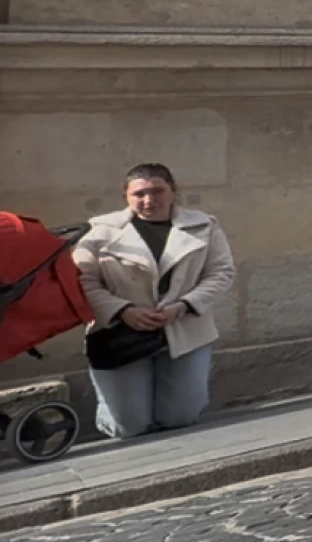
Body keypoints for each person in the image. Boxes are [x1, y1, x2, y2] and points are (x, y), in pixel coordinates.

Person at [72, 164, 236, 440]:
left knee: (180, 417)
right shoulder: (99, 232)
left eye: (157, 191)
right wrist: (122, 310)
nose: (149, 200)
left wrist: (183, 305)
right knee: (129, 426)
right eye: (140, 193)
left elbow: (221, 273)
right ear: (126, 195)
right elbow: (83, 280)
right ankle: (115, 414)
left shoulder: (203, 226)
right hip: (120, 333)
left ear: (173, 191)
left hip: (184, 329)